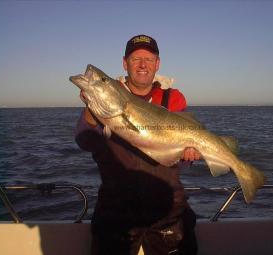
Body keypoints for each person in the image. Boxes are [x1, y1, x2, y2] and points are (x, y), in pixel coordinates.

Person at [75, 34, 200, 255]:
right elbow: (85, 140)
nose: (143, 65)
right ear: (125, 63)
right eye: (135, 59)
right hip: (116, 211)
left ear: (157, 64)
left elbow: (179, 156)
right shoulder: (111, 97)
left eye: (149, 59)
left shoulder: (173, 98)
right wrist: (93, 106)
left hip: (167, 211)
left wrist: (188, 154)